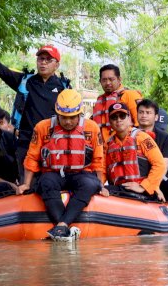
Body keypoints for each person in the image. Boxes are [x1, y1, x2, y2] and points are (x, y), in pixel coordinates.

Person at [0, 34, 70, 181]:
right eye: (41, 58)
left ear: (56, 64)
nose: (43, 63)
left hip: (53, 141)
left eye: (48, 59)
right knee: (27, 183)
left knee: (53, 182)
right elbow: (2, 71)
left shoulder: (63, 87)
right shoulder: (25, 81)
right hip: (26, 141)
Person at [17, 89, 104, 241]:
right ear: (57, 113)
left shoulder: (92, 128)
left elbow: (98, 160)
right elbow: (32, 157)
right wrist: (26, 184)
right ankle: (64, 226)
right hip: (53, 173)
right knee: (45, 183)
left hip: (81, 173)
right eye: (63, 117)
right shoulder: (43, 127)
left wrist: (101, 185)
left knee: (90, 185)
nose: (68, 122)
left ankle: (61, 225)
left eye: (72, 117)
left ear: (79, 114)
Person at [102, 102, 168, 202]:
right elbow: (102, 169)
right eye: (114, 117)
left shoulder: (142, 138)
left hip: (140, 186)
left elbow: (159, 164)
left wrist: (143, 186)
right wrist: (100, 186)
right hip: (120, 188)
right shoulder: (108, 144)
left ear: (129, 119)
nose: (118, 120)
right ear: (110, 122)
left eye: (122, 116)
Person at [92, 64, 143, 142]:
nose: (108, 82)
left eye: (111, 79)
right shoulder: (100, 100)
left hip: (124, 146)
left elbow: (141, 124)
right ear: (100, 81)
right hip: (102, 148)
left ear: (119, 79)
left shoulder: (130, 95)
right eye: (104, 80)